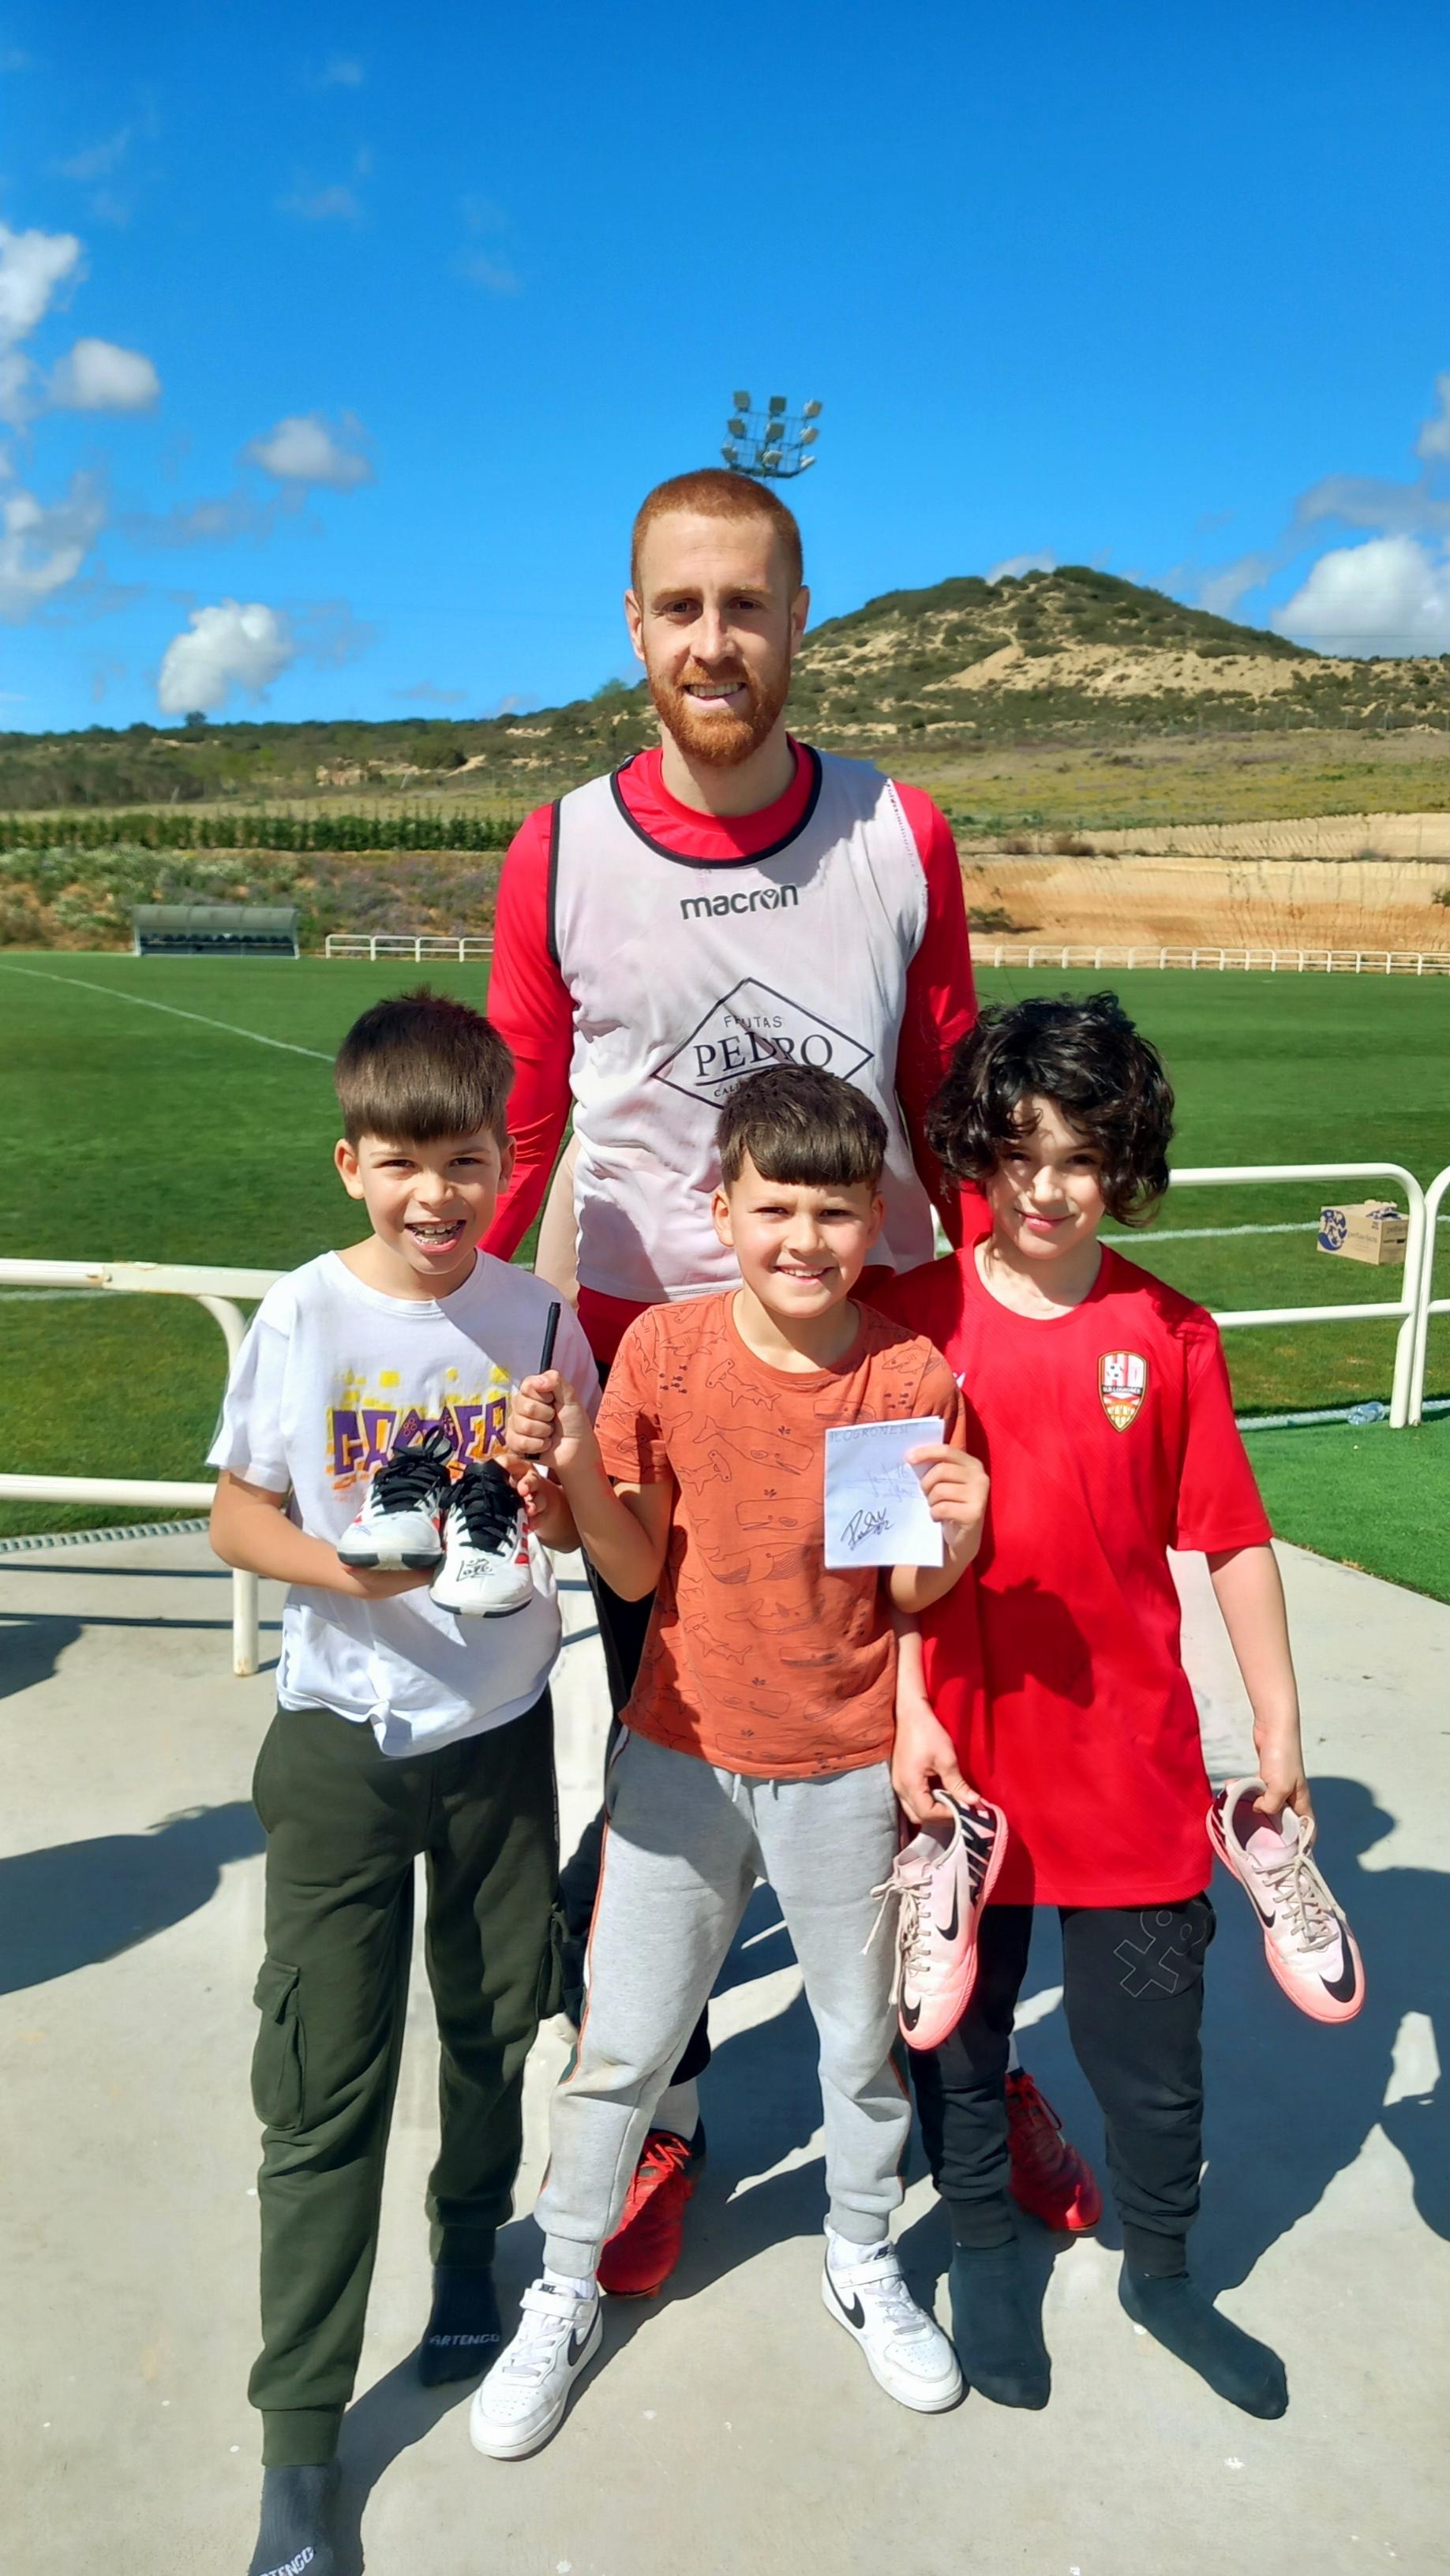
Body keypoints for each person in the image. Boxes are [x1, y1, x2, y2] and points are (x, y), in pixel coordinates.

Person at [484, 464, 1095, 2286]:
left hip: (876, 1374)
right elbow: (522, 1134)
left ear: (799, 619)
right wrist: (469, 1368)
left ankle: (969, 2078)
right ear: (633, 626)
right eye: (679, 608)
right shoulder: (559, 849)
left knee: (925, 1747)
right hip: (658, 1401)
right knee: (672, 1761)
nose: (713, 642)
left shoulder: (898, 831)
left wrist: (1015, 1351)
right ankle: (666, 2114)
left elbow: (951, 1105)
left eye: (744, 606)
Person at [470, 1064, 988, 2459]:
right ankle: (564, 2282)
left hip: (842, 1764)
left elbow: (904, 1592)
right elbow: (631, 1566)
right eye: (774, 1208)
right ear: (721, 1210)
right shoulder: (665, 1353)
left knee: (859, 2047)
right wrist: (575, 1472)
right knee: (621, 2048)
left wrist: (960, 1533)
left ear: (871, 1217)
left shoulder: (903, 1374)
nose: (803, 1240)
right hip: (679, 1756)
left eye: (834, 1211)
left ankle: (861, 2251)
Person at [876, 992, 1309, 2420]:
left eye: (1077, 1158)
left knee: (1151, 2057)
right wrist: (906, 1711)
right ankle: (985, 2253)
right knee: (960, 2042)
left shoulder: (1169, 1332)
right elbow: (871, 1559)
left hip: (1128, 1760)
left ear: (1123, 1163)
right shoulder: (909, 1324)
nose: (1045, 1189)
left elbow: (1230, 1540)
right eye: (1017, 1155)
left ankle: (1165, 2273)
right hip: (962, 1758)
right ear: (974, 1156)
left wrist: (1278, 1728)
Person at [208, 990, 596, 2576]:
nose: (435, 1196)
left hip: (499, 1736)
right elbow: (237, 1514)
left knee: (495, 2027)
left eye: (465, 1162)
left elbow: (570, 1527)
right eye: (401, 1164)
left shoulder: (541, 1319)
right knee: (322, 2084)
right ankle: (299, 2443)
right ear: (350, 1164)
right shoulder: (306, 1314)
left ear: (504, 1160)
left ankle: (463, 2258)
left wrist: (552, 1483)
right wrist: (349, 1575)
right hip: (341, 1747)